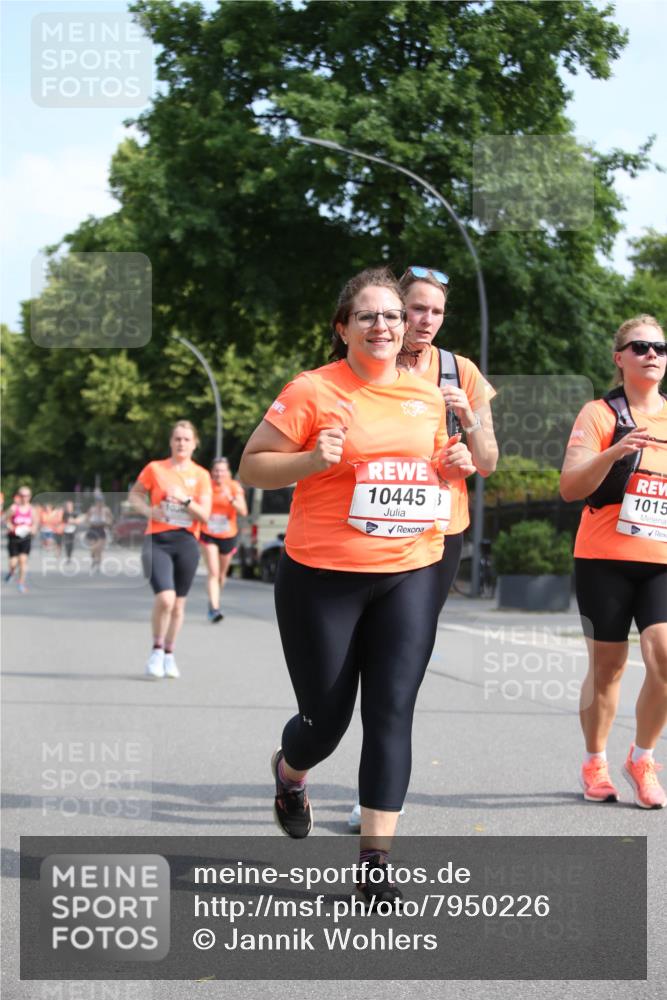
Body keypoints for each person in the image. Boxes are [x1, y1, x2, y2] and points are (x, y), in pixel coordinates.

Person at [239, 267, 475, 906]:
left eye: (393, 317)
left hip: (410, 568)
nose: (383, 326)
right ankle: (291, 774)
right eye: (368, 316)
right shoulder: (313, 390)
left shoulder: (427, 398)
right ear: (343, 327)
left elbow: (433, 471)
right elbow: (252, 464)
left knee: (392, 709)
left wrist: (455, 463)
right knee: (326, 721)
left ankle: (374, 868)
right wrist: (312, 461)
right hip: (323, 576)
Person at [347, 264, 499, 831]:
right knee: (360, 658)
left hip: (436, 534)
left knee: (398, 668)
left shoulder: (461, 372)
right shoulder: (371, 361)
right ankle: (365, 780)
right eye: (415, 309)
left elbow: (488, 460)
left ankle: (376, 794)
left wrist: (467, 431)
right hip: (365, 537)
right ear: (395, 309)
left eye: (435, 311)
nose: (424, 321)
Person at [560, 314, 667, 809]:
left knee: (664, 657)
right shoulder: (600, 414)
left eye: (661, 348)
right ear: (618, 357)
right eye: (640, 346)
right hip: (604, 556)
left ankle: (642, 758)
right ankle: (594, 760)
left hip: (660, 560)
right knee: (608, 668)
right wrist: (615, 451)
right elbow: (570, 486)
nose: (652, 355)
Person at [129, 420, 212, 680]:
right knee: (165, 598)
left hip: (186, 542)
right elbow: (134, 496)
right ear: (171, 441)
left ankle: (169, 653)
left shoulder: (201, 475)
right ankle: (155, 650)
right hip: (158, 540)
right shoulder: (155, 469)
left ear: (195, 443)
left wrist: (185, 499)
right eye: (177, 438)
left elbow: (205, 515)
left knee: (177, 606)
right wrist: (148, 510)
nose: (181, 443)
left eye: (187, 439)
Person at [200, 457, 247, 622]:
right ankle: (214, 608)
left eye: (222, 470)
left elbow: (243, 511)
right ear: (212, 472)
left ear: (228, 472)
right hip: (208, 533)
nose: (219, 473)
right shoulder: (206, 487)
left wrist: (231, 499)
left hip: (228, 535)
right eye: (216, 470)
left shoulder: (234, 487)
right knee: (213, 572)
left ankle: (214, 598)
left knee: (221, 575)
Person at [3, 486, 38, 594]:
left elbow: (36, 523)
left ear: (30, 497)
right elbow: (4, 519)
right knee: (13, 563)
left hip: (25, 538)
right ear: (19, 496)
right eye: (22, 495)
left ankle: (21, 583)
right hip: (14, 538)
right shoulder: (14, 508)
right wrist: (9, 525)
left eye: (26, 496)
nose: (24, 498)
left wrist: (33, 530)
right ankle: (11, 572)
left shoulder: (32, 510)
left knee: (23, 561)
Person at [81, 494, 113, 573]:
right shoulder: (92, 509)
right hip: (92, 529)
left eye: (101, 501)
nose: (99, 503)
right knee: (93, 548)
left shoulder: (106, 510)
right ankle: (93, 559)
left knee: (99, 549)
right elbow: (86, 519)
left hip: (101, 529)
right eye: (98, 501)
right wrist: (89, 522)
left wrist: (107, 523)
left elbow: (110, 520)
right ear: (96, 502)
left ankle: (98, 564)